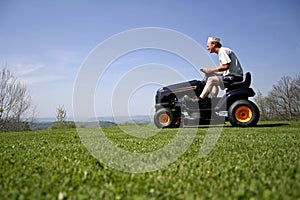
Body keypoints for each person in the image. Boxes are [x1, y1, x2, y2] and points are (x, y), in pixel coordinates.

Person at [198, 36, 244, 101]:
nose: (207, 48)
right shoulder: (221, 52)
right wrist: (212, 72)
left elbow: (225, 66)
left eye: (208, 46)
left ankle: (200, 100)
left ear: (214, 44)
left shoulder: (223, 51)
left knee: (211, 80)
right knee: (213, 81)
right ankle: (212, 100)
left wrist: (210, 70)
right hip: (232, 76)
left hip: (235, 77)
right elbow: (224, 71)